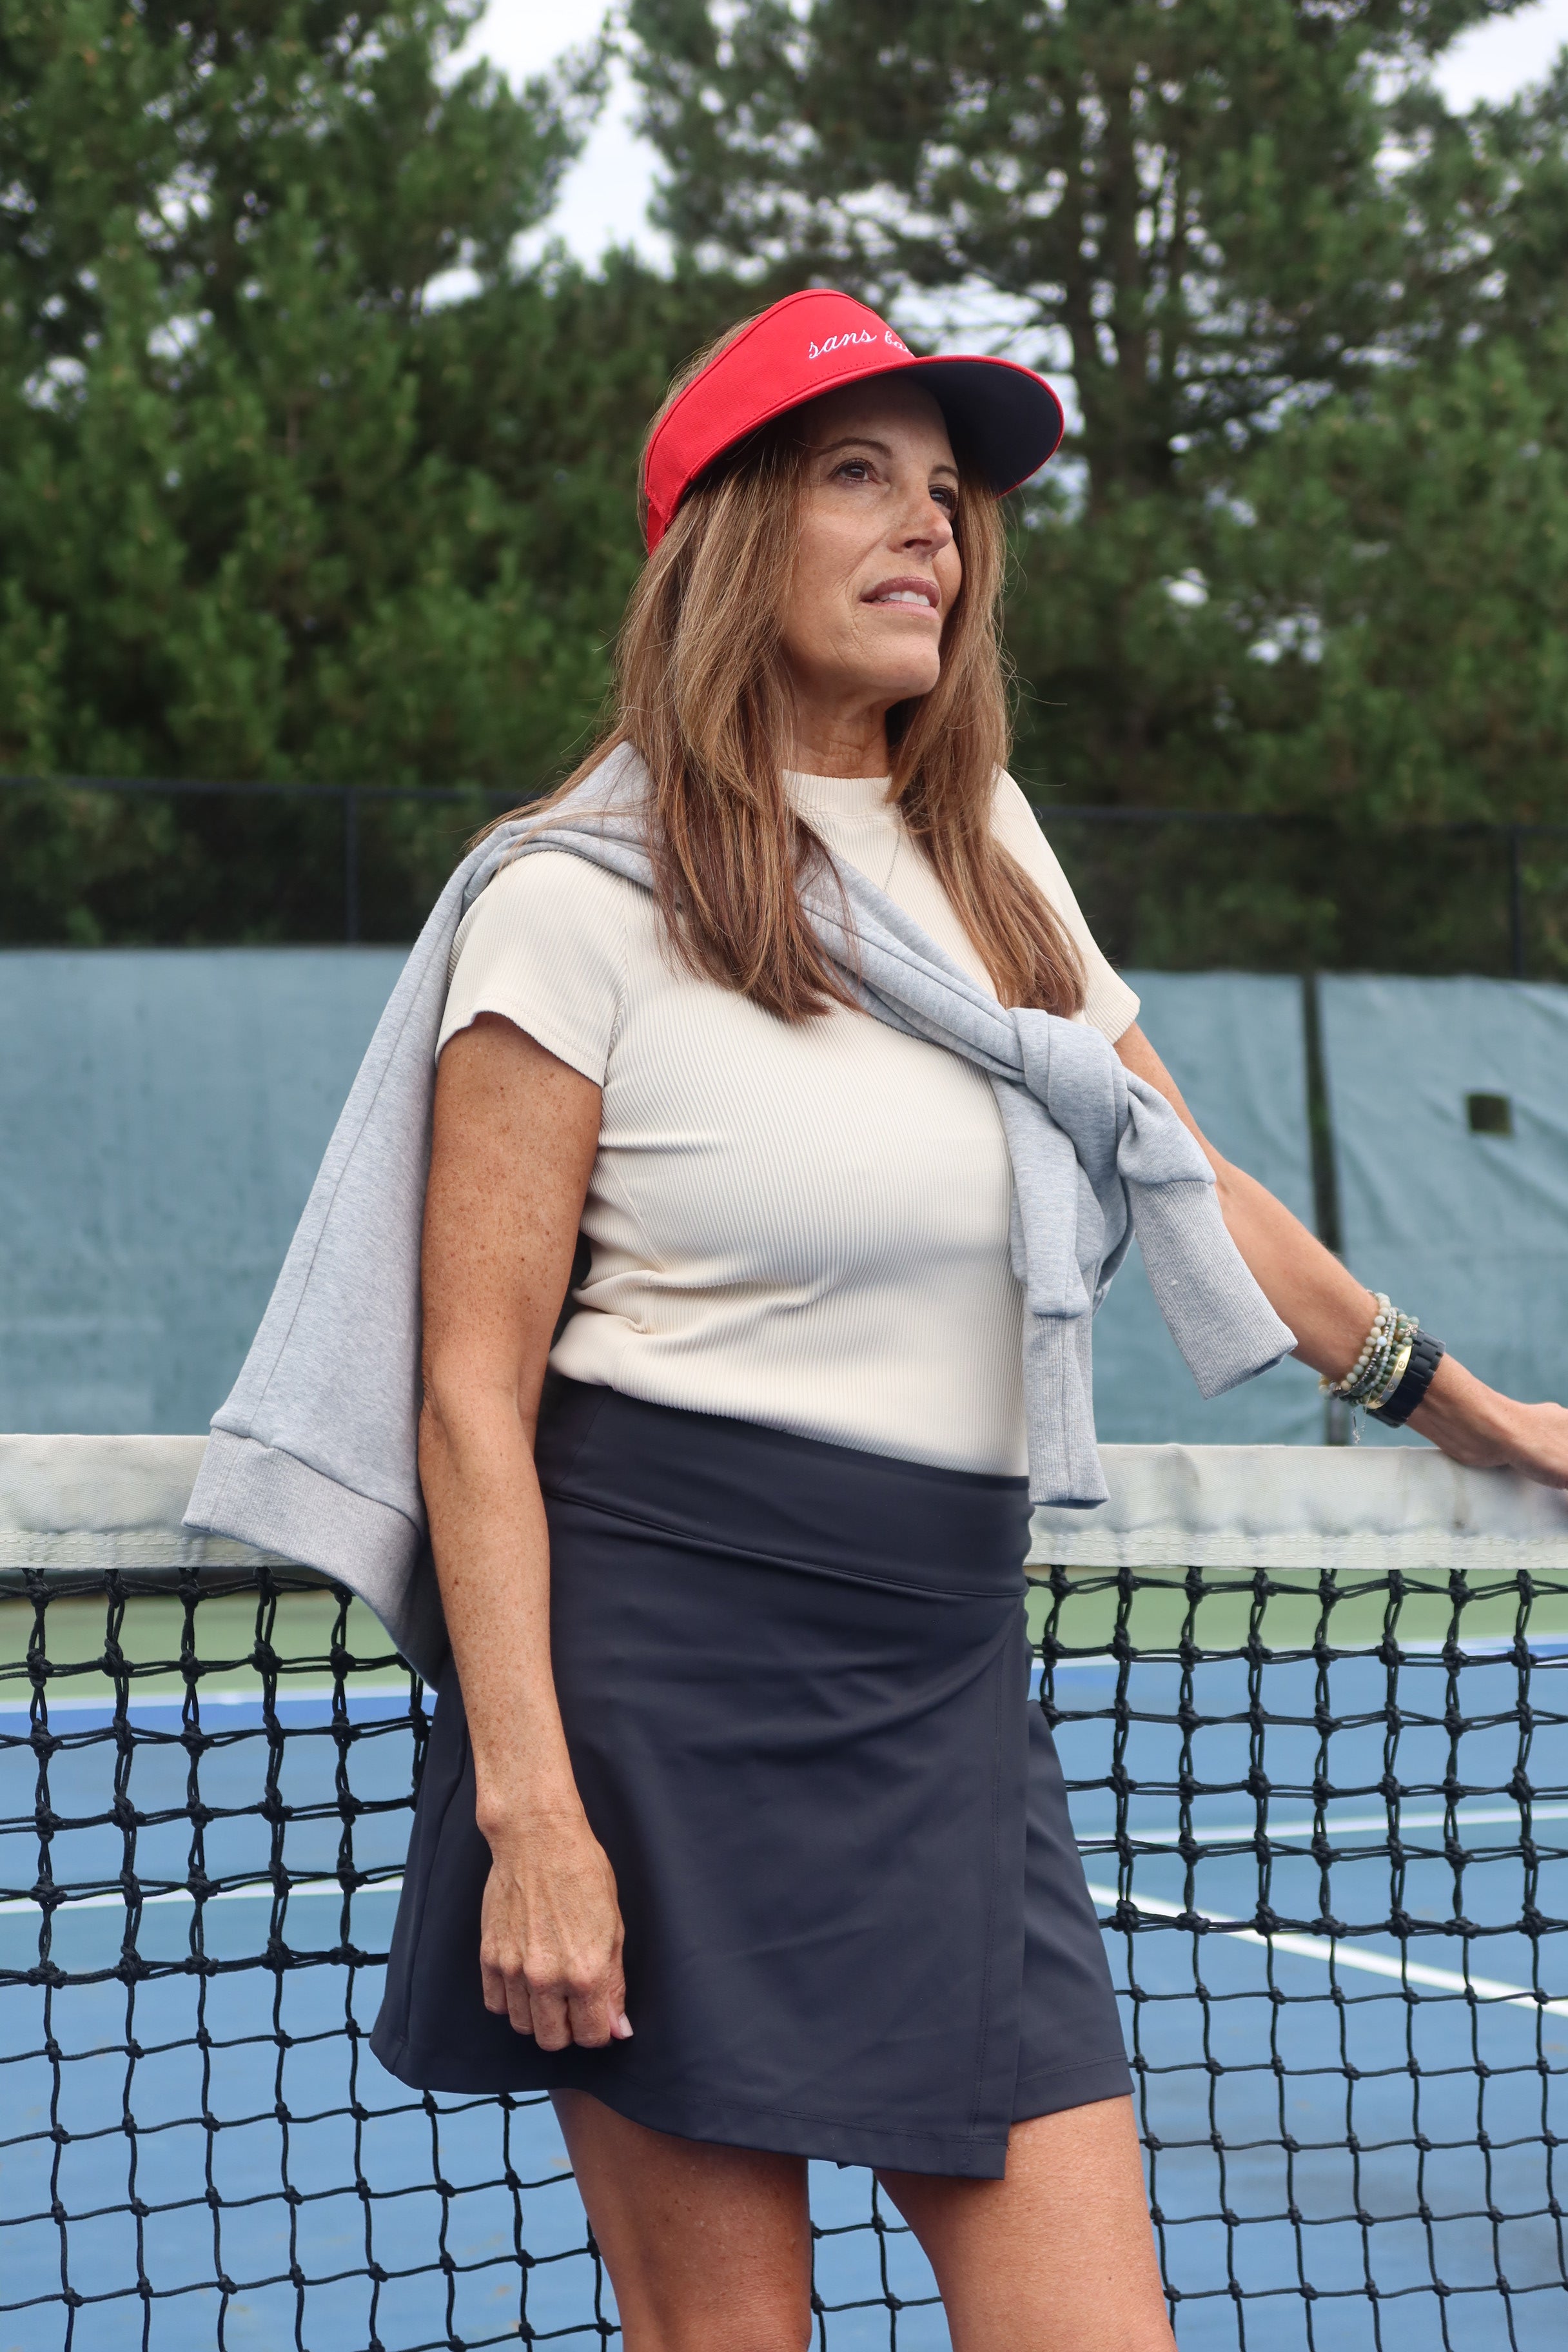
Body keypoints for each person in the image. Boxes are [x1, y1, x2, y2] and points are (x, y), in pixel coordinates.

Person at [363, 290, 1568, 2351]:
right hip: (655, 1702)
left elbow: (1194, 1184)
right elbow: (468, 1399)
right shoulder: (567, 900)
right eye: (862, 477)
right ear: (733, 532)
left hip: (944, 1681)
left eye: (949, 495)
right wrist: (531, 1816)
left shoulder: (989, 854)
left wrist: (1473, 1410)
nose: (930, 528)